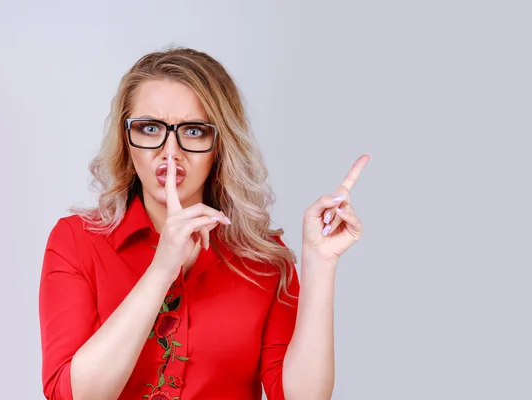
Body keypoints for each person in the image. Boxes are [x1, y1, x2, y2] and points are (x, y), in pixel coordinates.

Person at [38, 47, 370, 400]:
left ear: (220, 146)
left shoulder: (265, 262)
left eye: (194, 131)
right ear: (125, 141)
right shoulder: (76, 241)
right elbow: (71, 395)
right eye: (150, 128)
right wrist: (161, 270)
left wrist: (320, 263)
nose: (170, 152)